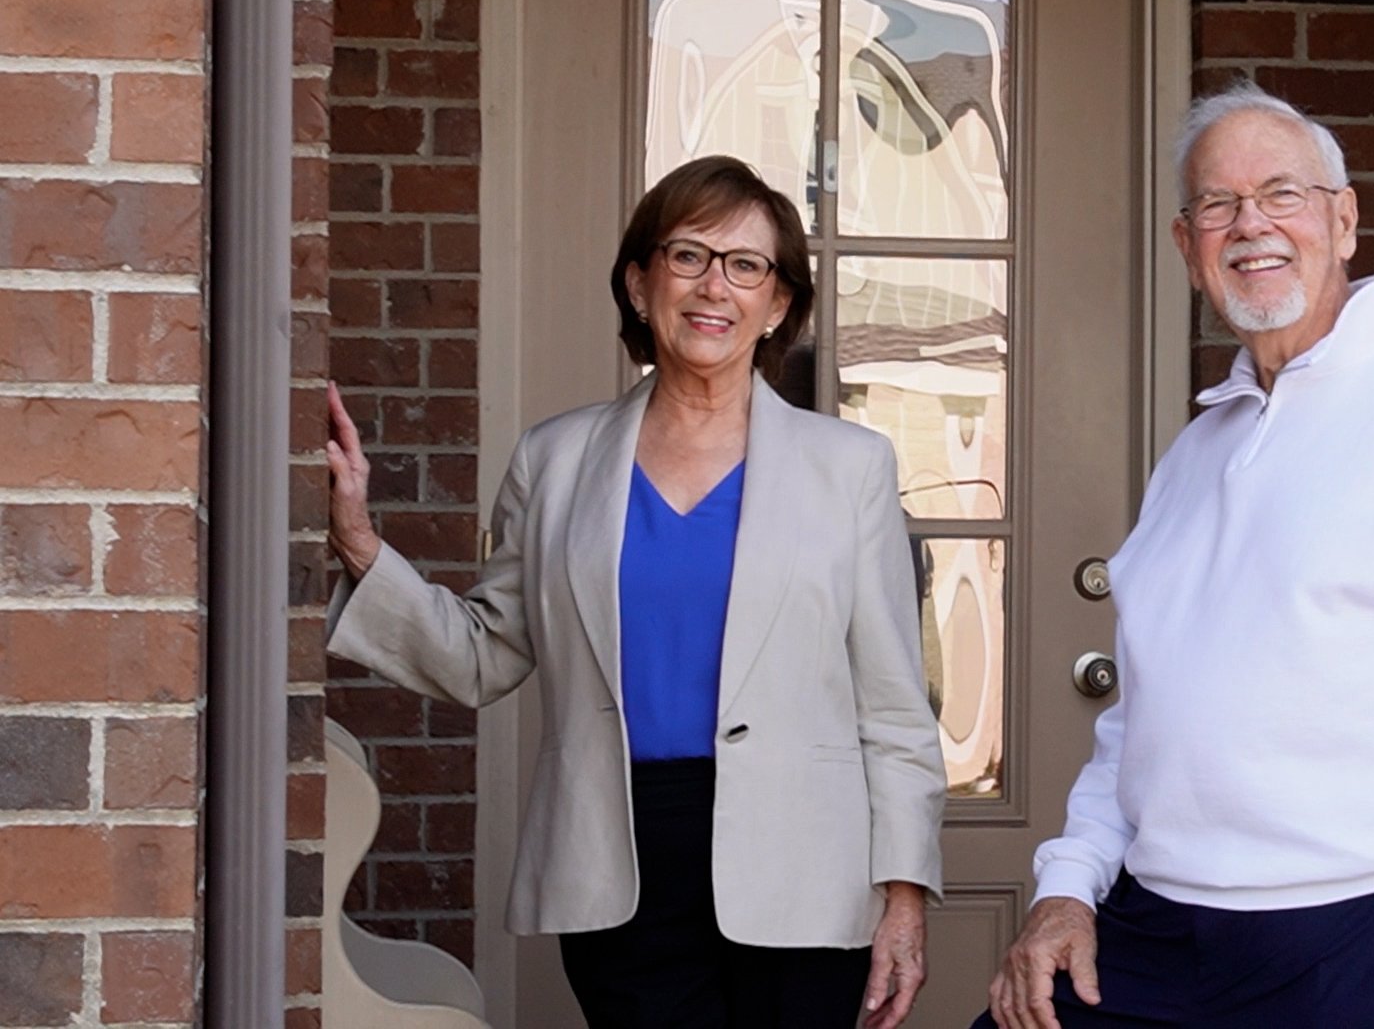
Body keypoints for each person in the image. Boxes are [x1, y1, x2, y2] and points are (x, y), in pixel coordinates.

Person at [979, 81, 1374, 1029]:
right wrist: (1068, 884)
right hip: (1160, 921)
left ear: (1344, 221)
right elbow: (1146, 717)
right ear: (1188, 248)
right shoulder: (1196, 454)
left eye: (1282, 194)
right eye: (1217, 205)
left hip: (1363, 927)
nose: (1250, 226)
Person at [325, 155, 946, 1029]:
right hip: (617, 857)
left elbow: (893, 705)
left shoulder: (851, 468)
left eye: (746, 266)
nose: (713, 287)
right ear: (639, 281)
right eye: (688, 255)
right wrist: (358, 540)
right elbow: (480, 656)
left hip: (807, 864)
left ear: (777, 306)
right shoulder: (556, 460)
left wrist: (906, 892)